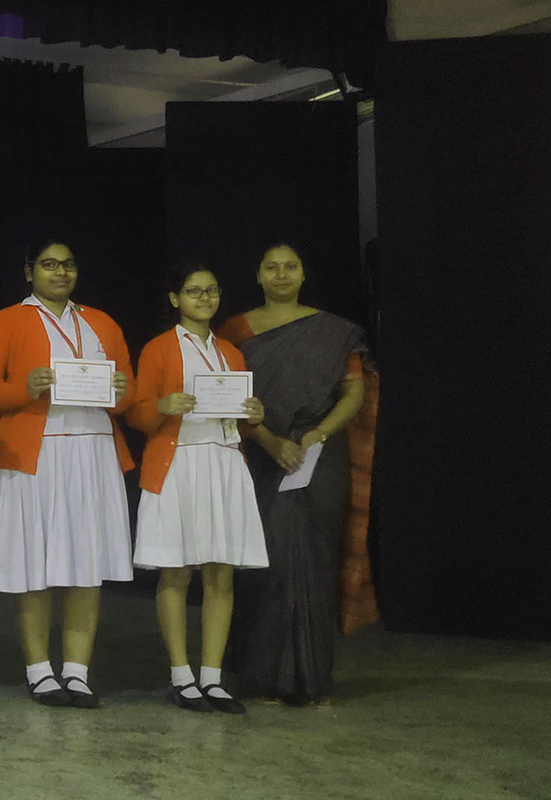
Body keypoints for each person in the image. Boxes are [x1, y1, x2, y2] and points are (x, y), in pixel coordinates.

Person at [0, 238, 133, 710]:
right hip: (34, 452)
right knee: (35, 562)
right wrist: (22, 389)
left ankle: (78, 671)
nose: (59, 273)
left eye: (67, 265)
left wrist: (120, 390)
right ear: (29, 272)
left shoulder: (101, 322)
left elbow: (127, 391)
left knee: (87, 563)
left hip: (93, 451)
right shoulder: (6, 321)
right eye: (48, 265)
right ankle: (40, 669)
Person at [220, 241, 368, 706]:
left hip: (318, 458)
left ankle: (311, 678)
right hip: (260, 457)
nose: (281, 275)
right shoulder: (236, 329)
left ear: (304, 274)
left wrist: (317, 435)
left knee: (315, 562)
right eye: (271, 267)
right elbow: (227, 395)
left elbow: (353, 391)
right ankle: (260, 676)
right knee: (264, 561)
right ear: (258, 276)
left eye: (290, 267)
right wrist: (269, 440)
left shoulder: (334, 332)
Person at [126, 260, 268, 714]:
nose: (203, 299)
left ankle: (213, 676)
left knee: (220, 571)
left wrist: (253, 416)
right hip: (177, 463)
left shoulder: (231, 352)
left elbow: (239, 423)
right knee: (176, 570)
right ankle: (181, 675)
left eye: (210, 291)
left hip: (223, 463)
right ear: (175, 299)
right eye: (193, 291)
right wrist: (163, 405)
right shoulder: (158, 349)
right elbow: (138, 413)